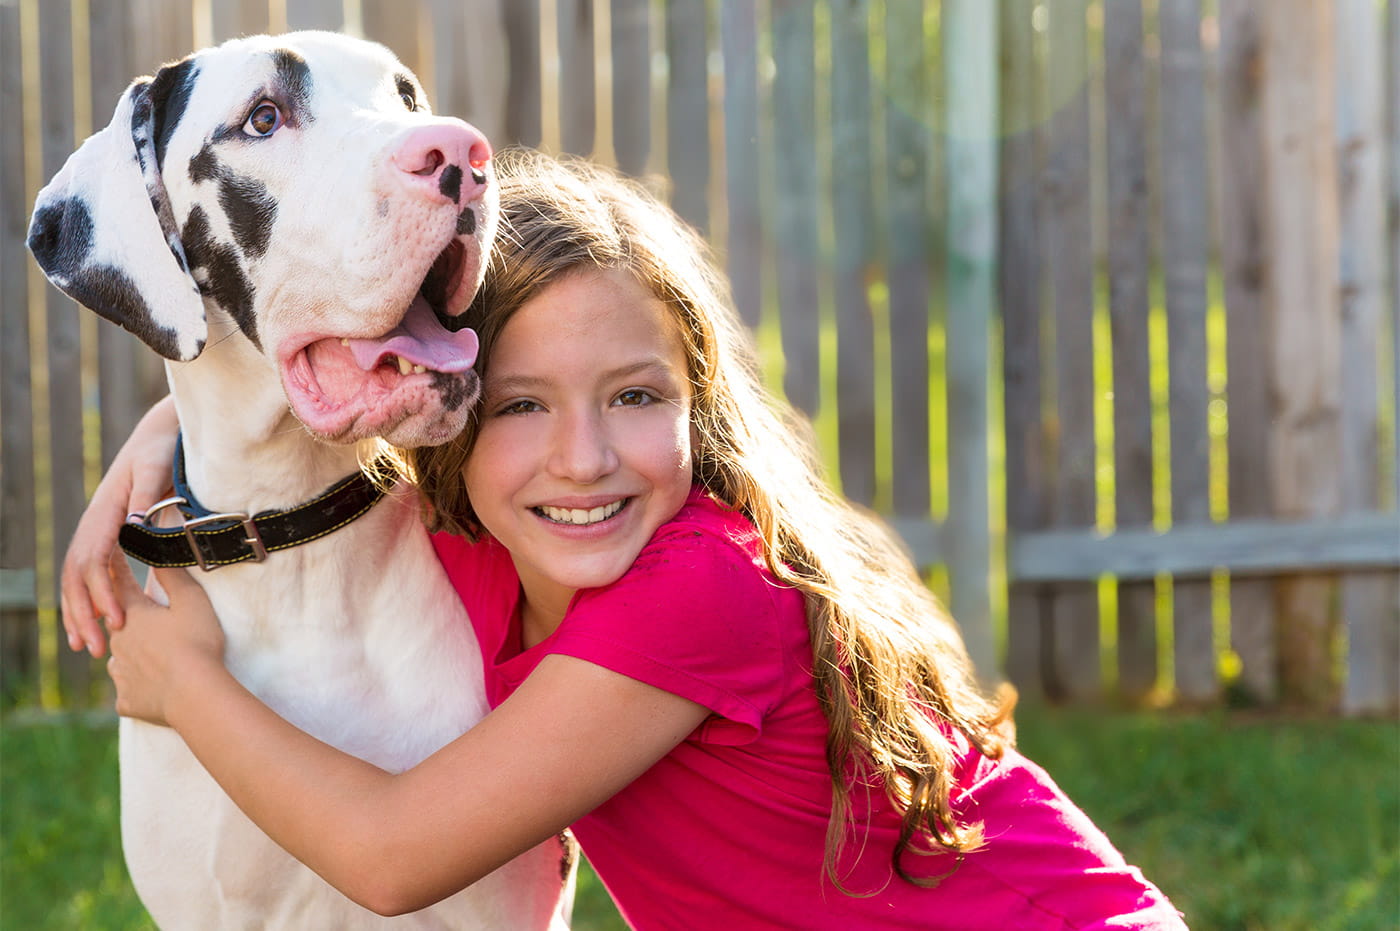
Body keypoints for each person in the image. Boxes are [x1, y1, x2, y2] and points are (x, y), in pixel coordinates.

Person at [65, 148, 1186, 929]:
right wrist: (153, 447)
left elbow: (390, 857)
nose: (583, 457)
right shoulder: (495, 538)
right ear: (445, 410)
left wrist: (188, 683)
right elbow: (306, 417)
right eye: (519, 404)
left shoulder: (701, 586)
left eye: (636, 397)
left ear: (700, 397)